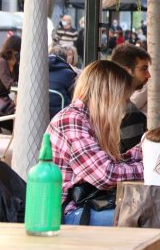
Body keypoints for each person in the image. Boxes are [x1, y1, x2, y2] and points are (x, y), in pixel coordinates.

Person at [48, 60, 143, 226]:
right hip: (67, 214)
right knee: (146, 217)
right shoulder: (71, 120)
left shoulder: (84, 119)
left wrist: (146, 151)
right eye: (124, 96)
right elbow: (105, 174)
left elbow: (108, 164)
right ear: (108, 95)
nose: (127, 103)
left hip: (84, 205)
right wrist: (151, 169)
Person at [111, 43, 151, 152]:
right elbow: (136, 157)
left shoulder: (107, 102)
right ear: (126, 71)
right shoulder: (129, 113)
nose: (148, 75)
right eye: (144, 69)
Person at [47, 46, 78, 119]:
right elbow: (75, 95)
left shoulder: (41, 70)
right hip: (60, 116)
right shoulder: (69, 73)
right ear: (65, 59)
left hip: (40, 112)